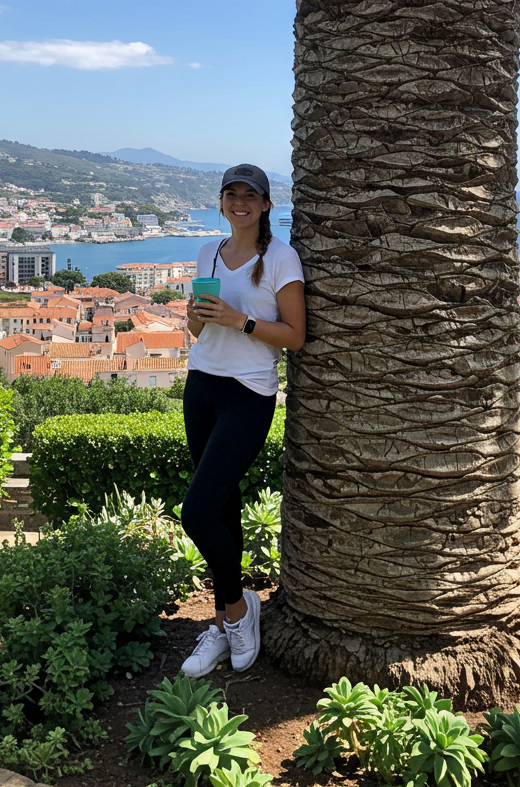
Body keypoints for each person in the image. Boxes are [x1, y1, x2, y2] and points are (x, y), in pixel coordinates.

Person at [179, 163, 305, 678]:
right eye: (231, 194)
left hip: (249, 394)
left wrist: (241, 320)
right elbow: (193, 330)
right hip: (201, 385)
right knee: (222, 508)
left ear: (266, 204)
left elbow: (295, 336)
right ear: (222, 202)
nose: (239, 203)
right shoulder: (208, 251)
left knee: (197, 512)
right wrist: (195, 313)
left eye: (249, 196)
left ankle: (237, 612)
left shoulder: (280, 257)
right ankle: (224, 619)